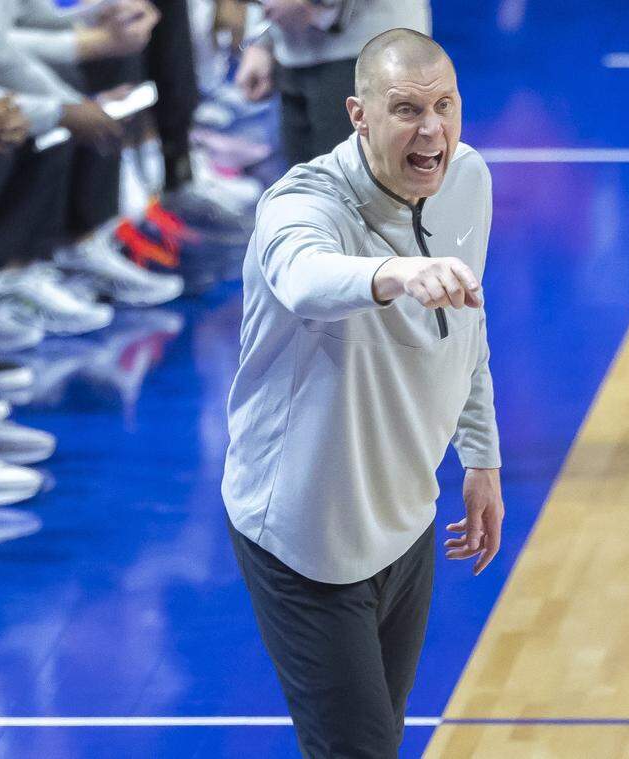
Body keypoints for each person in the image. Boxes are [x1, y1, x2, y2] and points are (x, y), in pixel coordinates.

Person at [222, 28, 503, 757]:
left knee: (381, 734)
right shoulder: (303, 202)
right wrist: (394, 275)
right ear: (358, 114)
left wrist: (482, 456)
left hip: (405, 519)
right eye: (407, 109)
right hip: (304, 535)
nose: (433, 129)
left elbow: (467, 331)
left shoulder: (467, 178)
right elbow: (302, 276)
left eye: (445, 105)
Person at [222, 0, 431, 166]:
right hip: (291, 54)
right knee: (306, 197)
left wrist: (311, 2)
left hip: (368, 48)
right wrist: (261, 41)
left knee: (366, 199)